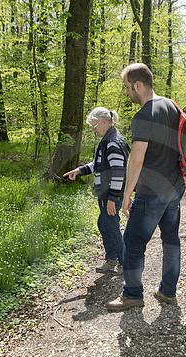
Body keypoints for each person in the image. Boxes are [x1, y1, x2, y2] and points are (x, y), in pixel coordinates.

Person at [106, 63, 186, 311]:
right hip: (175, 187)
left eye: (127, 88)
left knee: (132, 243)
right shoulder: (171, 105)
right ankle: (167, 291)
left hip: (152, 194)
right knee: (171, 241)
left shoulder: (143, 115)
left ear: (137, 85)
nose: (127, 93)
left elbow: (137, 159)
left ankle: (132, 294)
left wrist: (126, 195)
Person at [63, 107, 129, 274]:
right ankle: (112, 259)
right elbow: (98, 164)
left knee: (110, 224)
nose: (93, 130)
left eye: (94, 126)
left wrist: (113, 198)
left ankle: (124, 262)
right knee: (104, 223)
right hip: (105, 193)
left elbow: (118, 172)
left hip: (111, 194)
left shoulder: (113, 142)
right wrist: (80, 170)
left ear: (104, 123)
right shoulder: (105, 140)